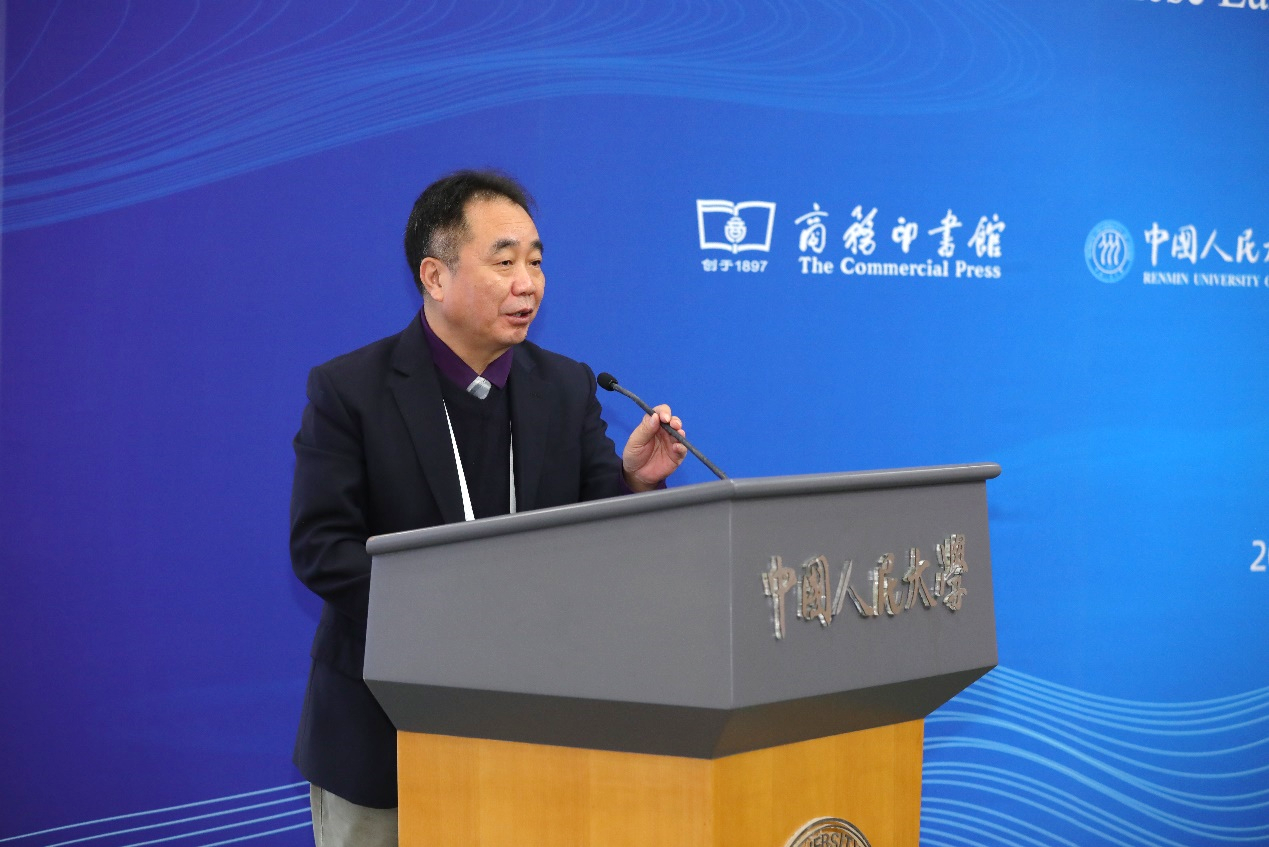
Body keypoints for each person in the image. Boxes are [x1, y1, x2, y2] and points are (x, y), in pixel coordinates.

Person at [289, 170, 687, 846]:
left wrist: (636, 484)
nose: (527, 283)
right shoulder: (350, 390)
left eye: (535, 261)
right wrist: (460, 613)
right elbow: (322, 549)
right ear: (434, 277)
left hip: (534, 729)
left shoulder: (564, 386)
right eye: (504, 262)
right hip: (383, 737)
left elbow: (601, 538)